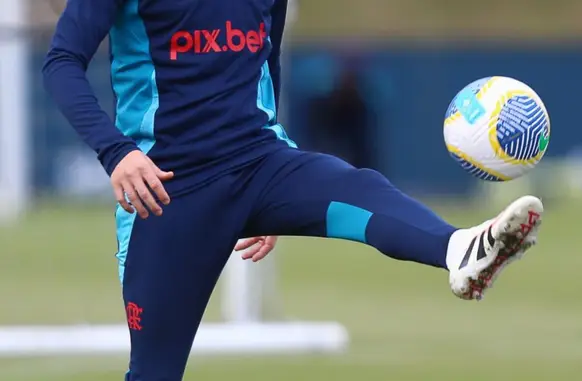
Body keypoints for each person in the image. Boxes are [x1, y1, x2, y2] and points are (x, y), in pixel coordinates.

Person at [42, 0, 543, 380]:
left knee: (357, 184)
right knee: (154, 371)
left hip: (261, 163)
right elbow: (61, 61)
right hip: (169, 191)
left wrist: (271, 197)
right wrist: (117, 152)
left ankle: (461, 249)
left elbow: (266, 62)